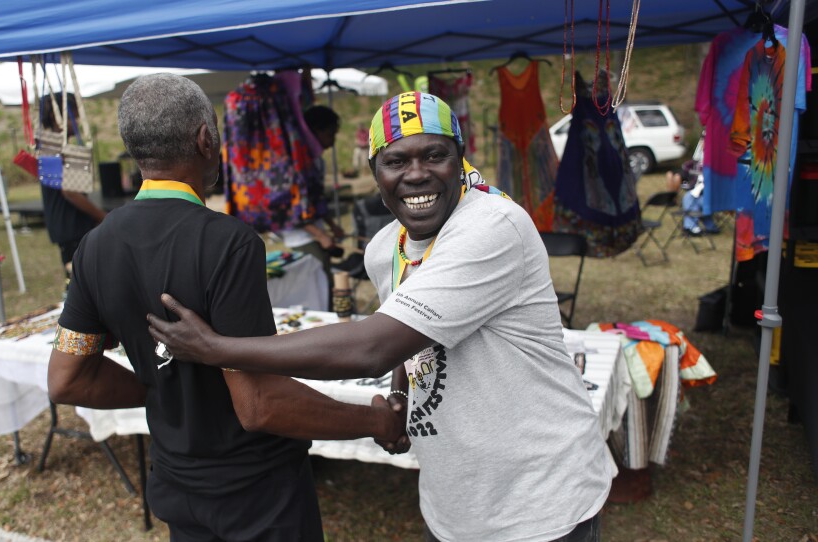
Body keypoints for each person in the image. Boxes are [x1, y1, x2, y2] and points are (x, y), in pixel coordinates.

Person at [148, 91, 612, 541]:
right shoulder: (384, 247)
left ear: (460, 159)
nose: (417, 174)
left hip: (539, 496)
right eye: (396, 161)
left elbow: (374, 346)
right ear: (375, 172)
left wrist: (217, 349)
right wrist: (398, 396)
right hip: (458, 496)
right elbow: (403, 333)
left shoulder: (492, 227)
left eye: (435, 156)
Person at [47, 74, 403, 541]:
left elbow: (66, 378)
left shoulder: (94, 247)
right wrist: (375, 420)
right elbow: (258, 406)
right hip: (255, 494)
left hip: (177, 483)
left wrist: (158, 388)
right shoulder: (226, 242)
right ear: (205, 139)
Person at [278, 105, 345, 304]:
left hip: (315, 234)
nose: (332, 142)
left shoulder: (316, 161)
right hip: (300, 238)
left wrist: (331, 225)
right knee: (320, 288)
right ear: (315, 131)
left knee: (326, 283)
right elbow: (291, 207)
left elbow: (317, 199)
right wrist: (321, 235)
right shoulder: (293, 162)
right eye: (330, 134)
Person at [39, 93, 106, 282]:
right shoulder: (51, 150)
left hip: (75, 226)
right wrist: (101, 216)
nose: (76, 122)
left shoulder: (56, 147)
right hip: (70, 228)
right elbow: (70, 192)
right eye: (72, 117)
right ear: (56, 117)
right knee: (80, 280)